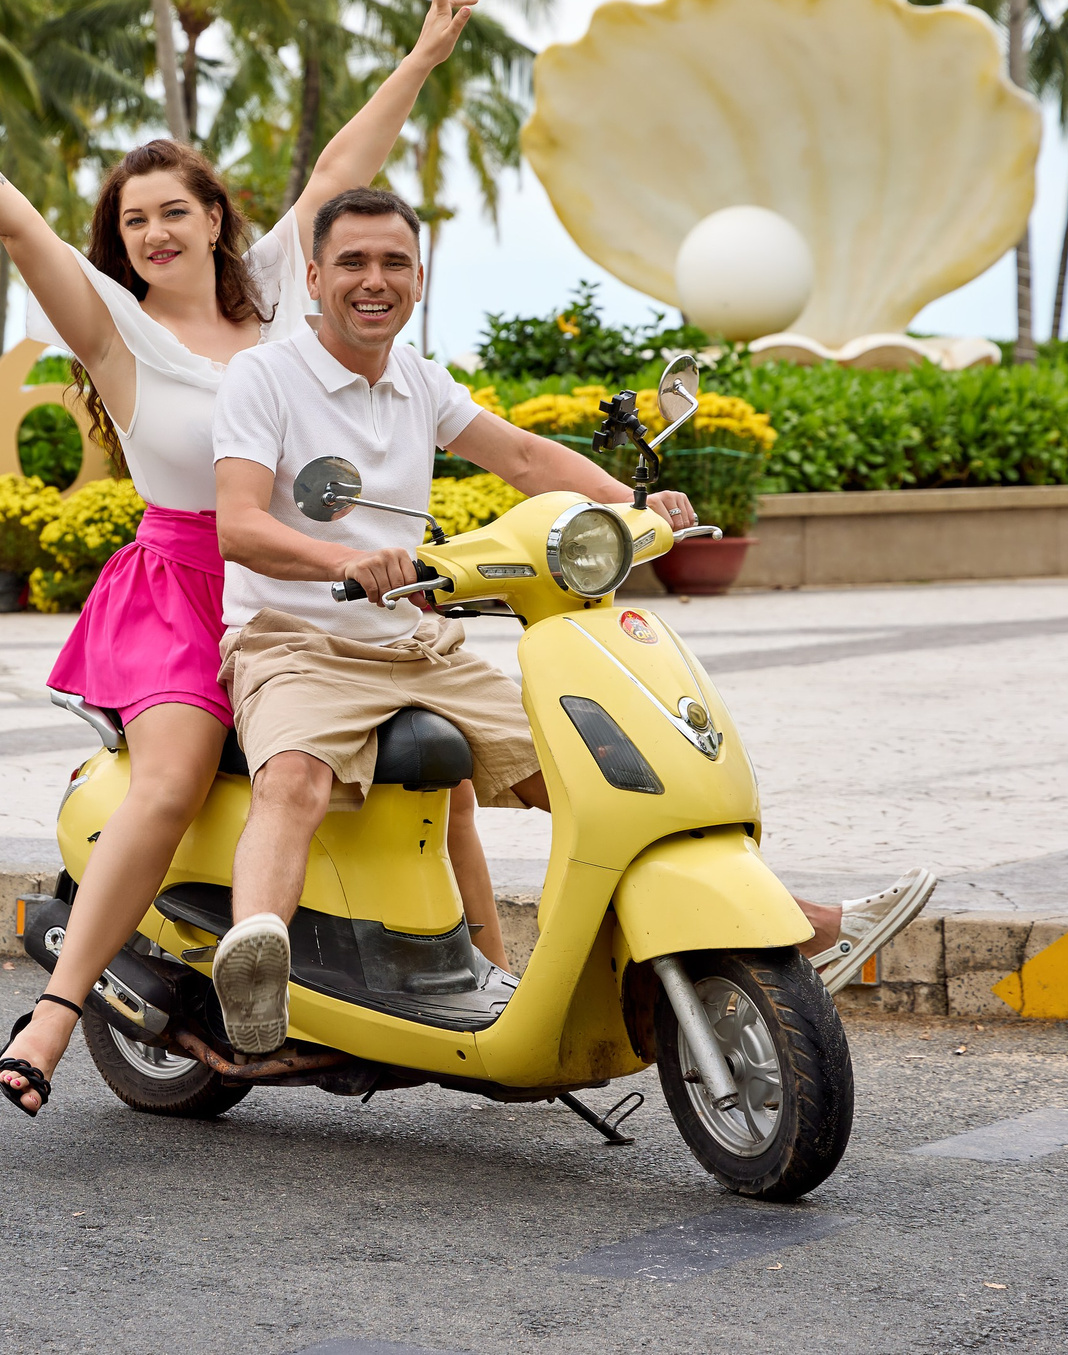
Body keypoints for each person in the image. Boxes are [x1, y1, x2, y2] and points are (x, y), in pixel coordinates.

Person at [0, 0, 520, 1115]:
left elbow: (339, 173)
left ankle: (492, 995)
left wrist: (421, 58)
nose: (155, 231)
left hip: (313, 581)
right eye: (133, 219)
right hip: (181, 586)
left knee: (440, 771)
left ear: (215, 219)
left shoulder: (279, 294)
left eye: (174, 211)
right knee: (169, 781)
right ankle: (56, 1015)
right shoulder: (114, 328)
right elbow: (13, 221)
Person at [208, 185, 934, 1053]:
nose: (375, 280)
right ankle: (255, 968)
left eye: (394, 262)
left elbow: (520, 456)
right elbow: (238, 523)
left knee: (600, 772)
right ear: (314, 277)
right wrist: (343, 561)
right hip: (297, 640)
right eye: (353, 262)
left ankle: (796, 924)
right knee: (294, 779)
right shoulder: (264, 375)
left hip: (413, 642)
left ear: (419, 279)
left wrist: (633, 503)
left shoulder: (417, 378)